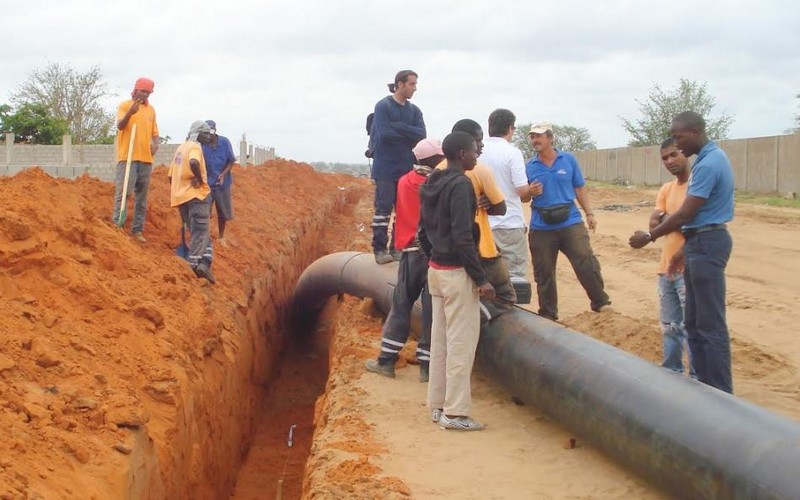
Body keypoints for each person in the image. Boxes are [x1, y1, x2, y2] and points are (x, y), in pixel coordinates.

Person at [629, 111, 735, 394]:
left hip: (708, 243)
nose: (676, 145)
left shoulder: (709, 164)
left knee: (710, 325)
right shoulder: (708, 160)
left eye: (679, 138)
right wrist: (682, 251)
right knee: (693, 322)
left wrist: (650, 236)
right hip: (699, 243)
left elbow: (686, 213)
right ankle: (701, 387)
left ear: (696, 132)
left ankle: (721, 393)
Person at [418, 131, 495, 432]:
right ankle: (456, 413)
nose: (478, 155)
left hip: (436, 271)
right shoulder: (461, 185)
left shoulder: (432, 182)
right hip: (456, 273)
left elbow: (422, 230)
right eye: (475, 150)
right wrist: (480, 278)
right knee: (461, 345)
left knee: (440, 343)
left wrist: (433, 257)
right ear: (462, 154)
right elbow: (464, 236)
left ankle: (438, 405)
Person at [364, 139, 443, 383]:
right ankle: (427, 368)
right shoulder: (437, 183)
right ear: (431, 160)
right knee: (431, 311)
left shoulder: (405, 180)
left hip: (409, 252)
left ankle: (386, 360)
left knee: (401, 305)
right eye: (439, 157)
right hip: (433, 254)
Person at [526, 122, 612, 321]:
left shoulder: (569, 160)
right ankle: (548, 314)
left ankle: (601, 303)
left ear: (550, 138)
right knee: (543, 271)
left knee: (586, 261)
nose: (535, 140)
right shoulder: (529, 166)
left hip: (570, 222)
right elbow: (522, 196)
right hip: (541, 226)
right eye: (532, 137)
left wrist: (589, 213)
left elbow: (580, 188)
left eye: (538, 136)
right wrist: (529, 192)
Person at [447, 119, 515, 321]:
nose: (481, 146)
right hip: (482, 250)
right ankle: (475, 324)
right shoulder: (479, 170)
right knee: (504, 297)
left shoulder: (438, 171)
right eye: (478, 141)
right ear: (464, 146)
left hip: (447, 255)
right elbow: (501, 208)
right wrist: (485, 203)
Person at [369, 70, 426, 264]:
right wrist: (407, 134)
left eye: (415, 84)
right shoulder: (383, 106)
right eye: (412, 84)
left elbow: (421, 135)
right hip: (385, 168)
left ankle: (397, 248)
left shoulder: (414, 111)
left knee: (403, 211)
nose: (415, 88)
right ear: (400, 84)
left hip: (405, 168)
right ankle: (379, 249)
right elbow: (384, 134)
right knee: (383, 209)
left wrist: (399, 127)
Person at [650, 138, 695, 376]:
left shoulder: (696, 187)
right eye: (664, 157)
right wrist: (677, 219)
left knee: (693, 327)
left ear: (685, 153)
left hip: (687, 268)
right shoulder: (667, 189)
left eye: (673, 155)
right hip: (665, 268)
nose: (669, 161)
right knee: (670, 327)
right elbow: (654, 222)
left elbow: (691, 223)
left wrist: (671, 220)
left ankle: (698, 376)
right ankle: (672, 371)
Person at [481, 109, 541, 281]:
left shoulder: (477, 151)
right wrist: (532, 190)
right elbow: (522, 192)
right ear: (510, 128)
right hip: (509, 223)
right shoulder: (512, 152)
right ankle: (510, 308)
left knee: (485, 276)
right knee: (514, 275)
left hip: (482, 224)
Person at [113, 77, 160, 243]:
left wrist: (155, 145)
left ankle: (137, 230)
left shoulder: (151, 110)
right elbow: (120, 125)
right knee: (124, 193)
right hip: (128, 158)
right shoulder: (125, 105)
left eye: (148, 92)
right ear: (136, 90)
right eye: (143, 91)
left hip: (145, 159)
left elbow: (155, 134)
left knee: (142, 197)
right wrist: (130, 113)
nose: (146, 95)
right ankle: (117, 226)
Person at [168, 121, 216, 284]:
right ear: (198, 134)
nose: (209, 136)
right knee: (200, 232)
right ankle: (193, 266)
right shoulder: (195, 147)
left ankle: (205, 263)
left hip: (182, 198)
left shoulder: (181, 148)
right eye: (206, 133)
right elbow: (194, 162)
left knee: (202, 233)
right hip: (196, 198)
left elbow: (170, 176)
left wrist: (179, 192)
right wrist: (199, 178)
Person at [202, 120, 236, 246]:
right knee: (205, 210)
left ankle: (221, 237)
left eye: (211, 132)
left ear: (215, 131)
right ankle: (205, 237)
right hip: (208, 183)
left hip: (223, 182)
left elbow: (231, 161)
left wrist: (223, 174)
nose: (209, 135)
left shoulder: (225, 142)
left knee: (222, 212)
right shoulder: (202, 145)